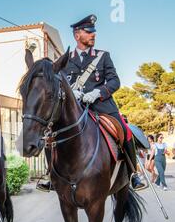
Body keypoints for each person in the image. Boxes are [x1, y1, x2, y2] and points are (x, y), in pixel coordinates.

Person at [37, 14, 145, 192]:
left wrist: (97, 92)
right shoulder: (65, 59)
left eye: (94, 32)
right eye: (88, 32)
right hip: (75, 108)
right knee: (51, 134)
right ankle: (50, 175)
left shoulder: (103, 56)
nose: (93, 35)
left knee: (125, 131)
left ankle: (134, 173)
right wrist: (73, 92)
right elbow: (58, 83)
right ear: (77, 35)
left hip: (102, 107)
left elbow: (114, 81)